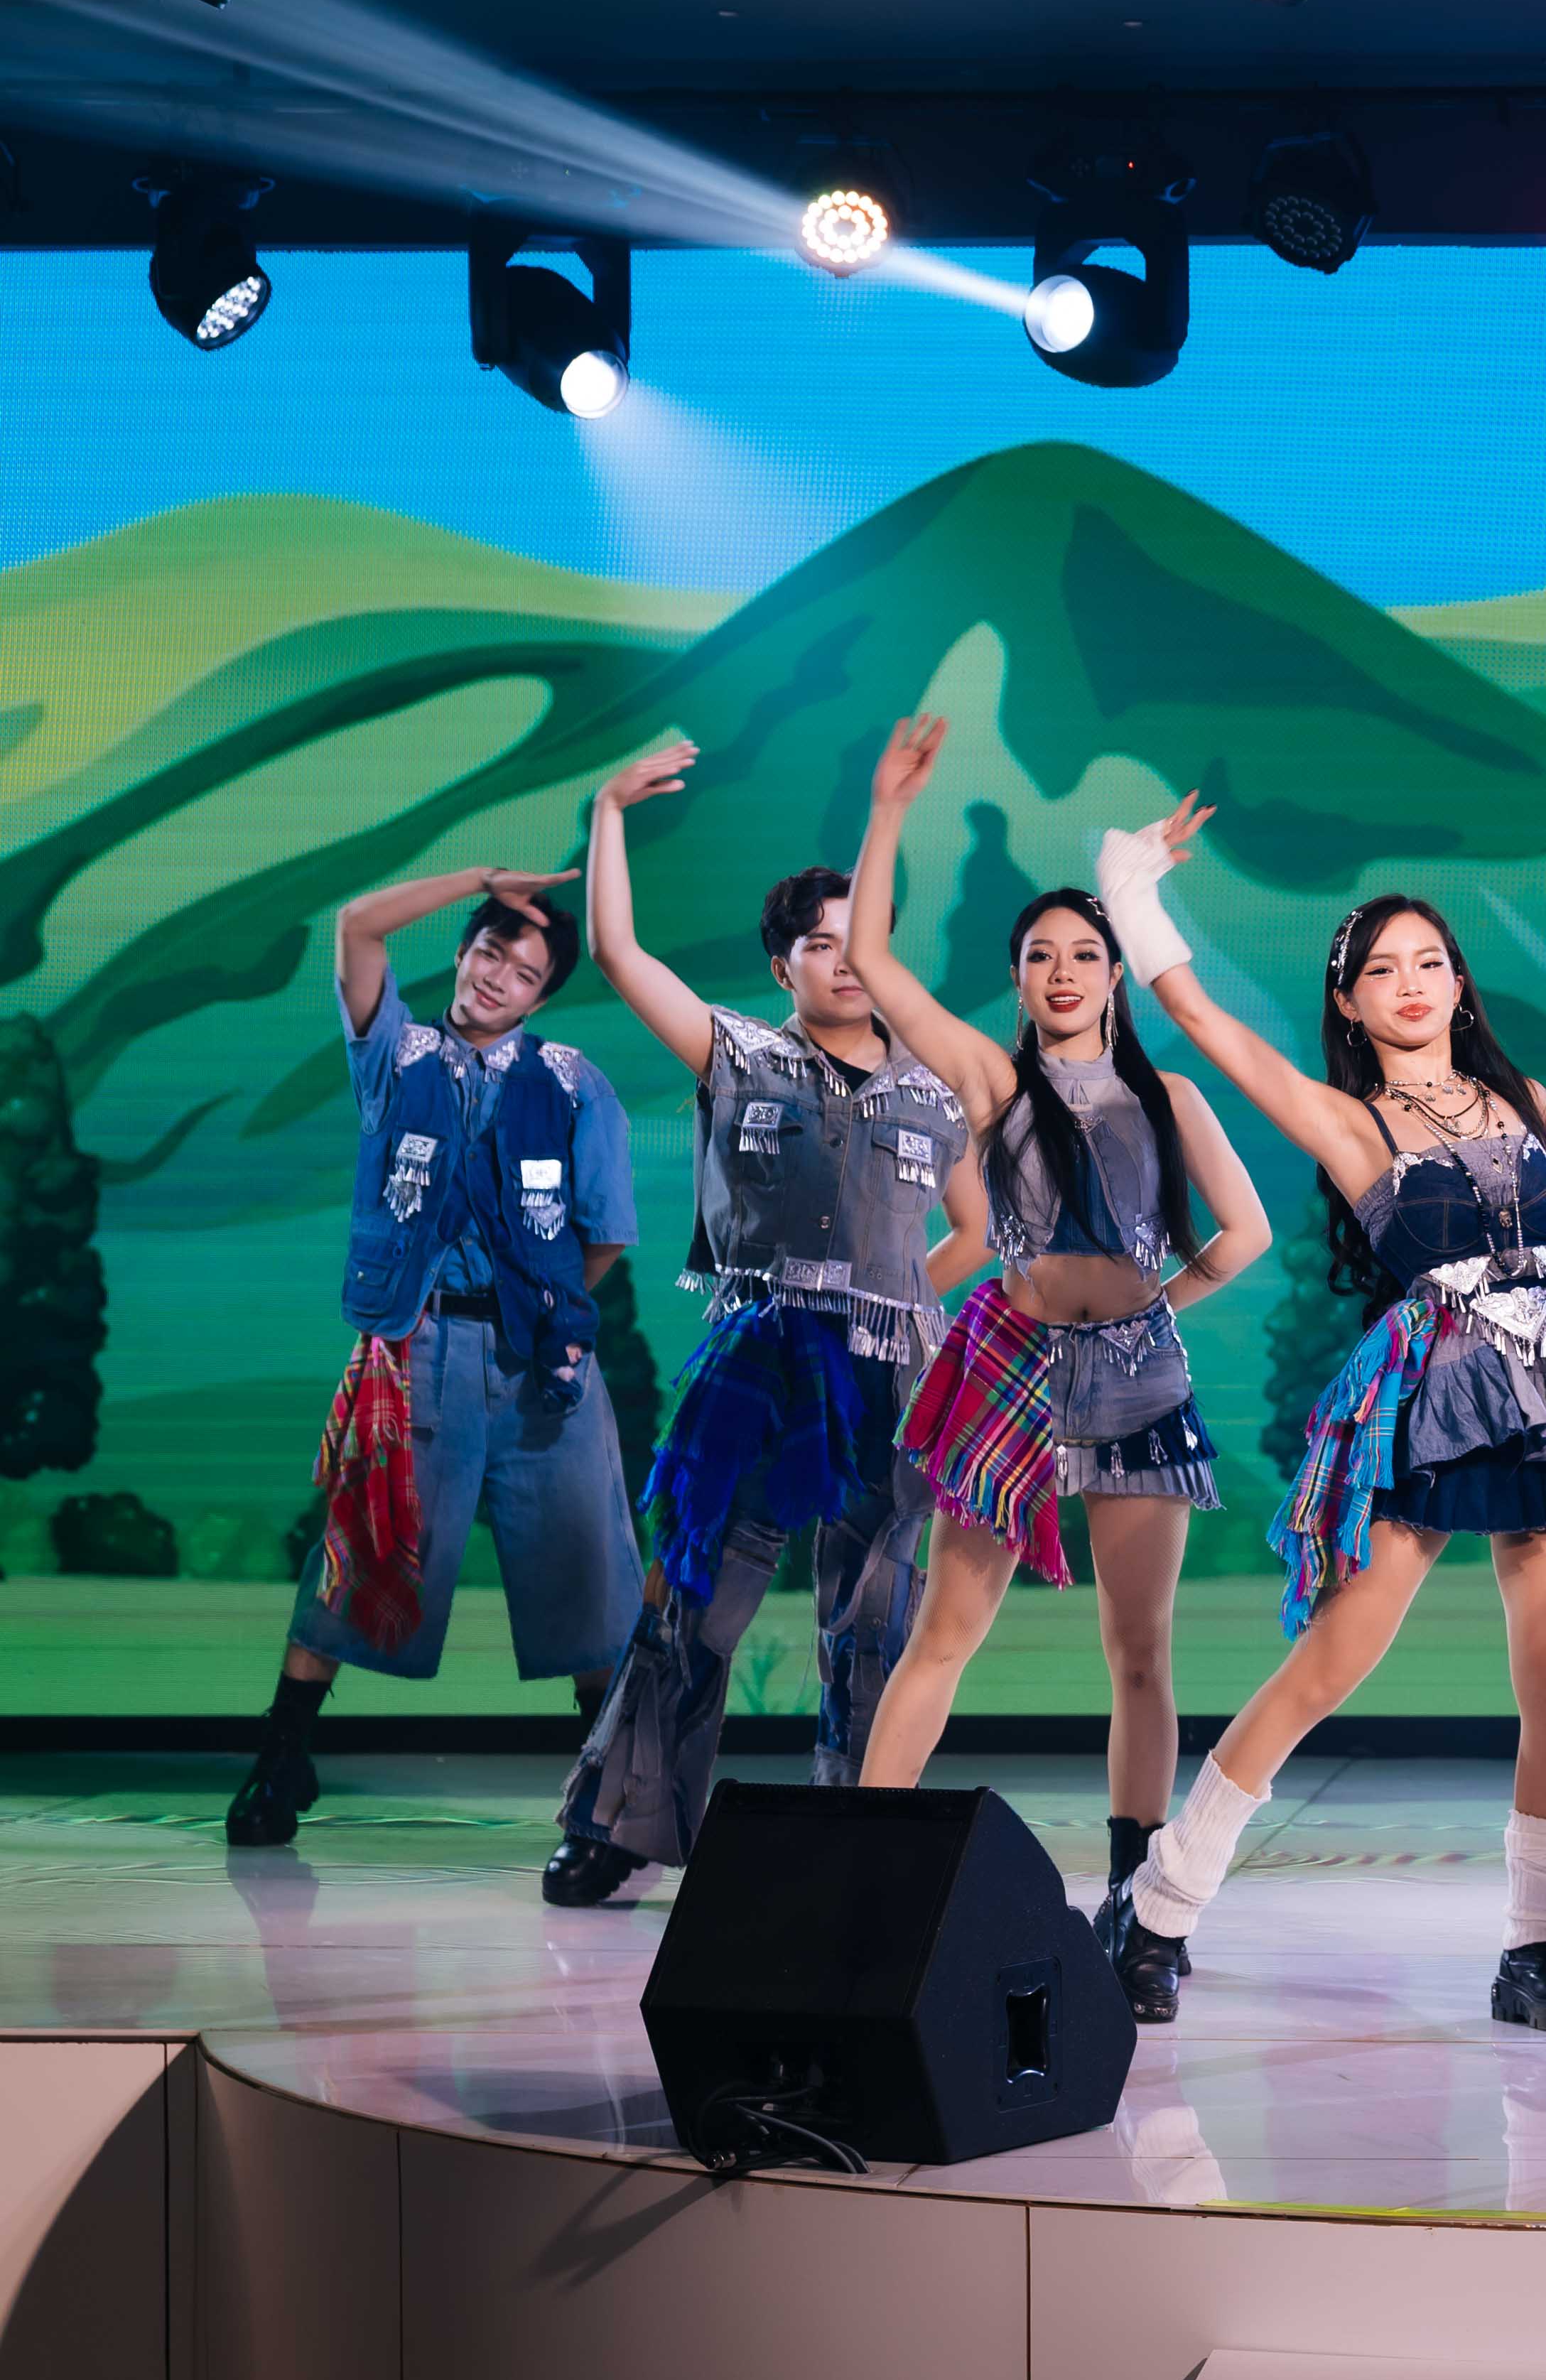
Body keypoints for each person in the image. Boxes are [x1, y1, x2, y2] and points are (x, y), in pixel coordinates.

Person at [1083, 811, 1546, 2028]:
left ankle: (1536, 1951)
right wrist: (1128, 889)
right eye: (1383, 970)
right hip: (1433, 1400)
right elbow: (1200, 1018)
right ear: (1348, 1004)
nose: (1412, 984)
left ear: (1460, 983)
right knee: (1331, 1662)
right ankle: (1160, 1904)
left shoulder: (1521, 1096)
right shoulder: (1349, 1121)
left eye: (1431, 962)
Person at [546, 736, 994, 1905]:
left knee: (874, 1616)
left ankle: (856, 1832)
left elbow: (981, 1230)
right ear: (781, 964)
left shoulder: (934, 1085)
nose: (845, 963)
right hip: (758, 1360)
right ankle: (621, 1826)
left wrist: (898, 1296)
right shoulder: (737, 1054)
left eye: (860, 941)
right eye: (819, 944)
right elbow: (618, 952)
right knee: (693, 1597)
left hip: (891, 1377)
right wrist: (607, 809)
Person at [838, 718, 1272, 1872]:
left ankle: (1137, 1888)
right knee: (944, 1633)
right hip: (1011, 1370)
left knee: (1139, 1653)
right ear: (1018, 979)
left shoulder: (1172, 1097)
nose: (1064, 971)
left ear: (1116, 974)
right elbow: (873, 962)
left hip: (1138, 1386)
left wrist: (1154, 1310)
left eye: (1084, 952)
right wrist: (889, 809)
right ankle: (861, 1862)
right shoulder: (992, 1081)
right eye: (1040, 956)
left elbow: (1246, 1235)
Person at [237, 857, 639, 1848]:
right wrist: (480, 879)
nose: (500, 978)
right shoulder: (396, 1054)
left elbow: (605, 1233)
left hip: (543, 1361)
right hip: (414, 1348)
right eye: (491, 952)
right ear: (463, 952)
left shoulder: (573, 1082)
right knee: (360, 1543)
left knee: (585, 1562)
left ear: (542, 997)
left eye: (525, 973)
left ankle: (606, 1789)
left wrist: (542, 1309)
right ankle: (281, 1756)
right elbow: (358, 922)